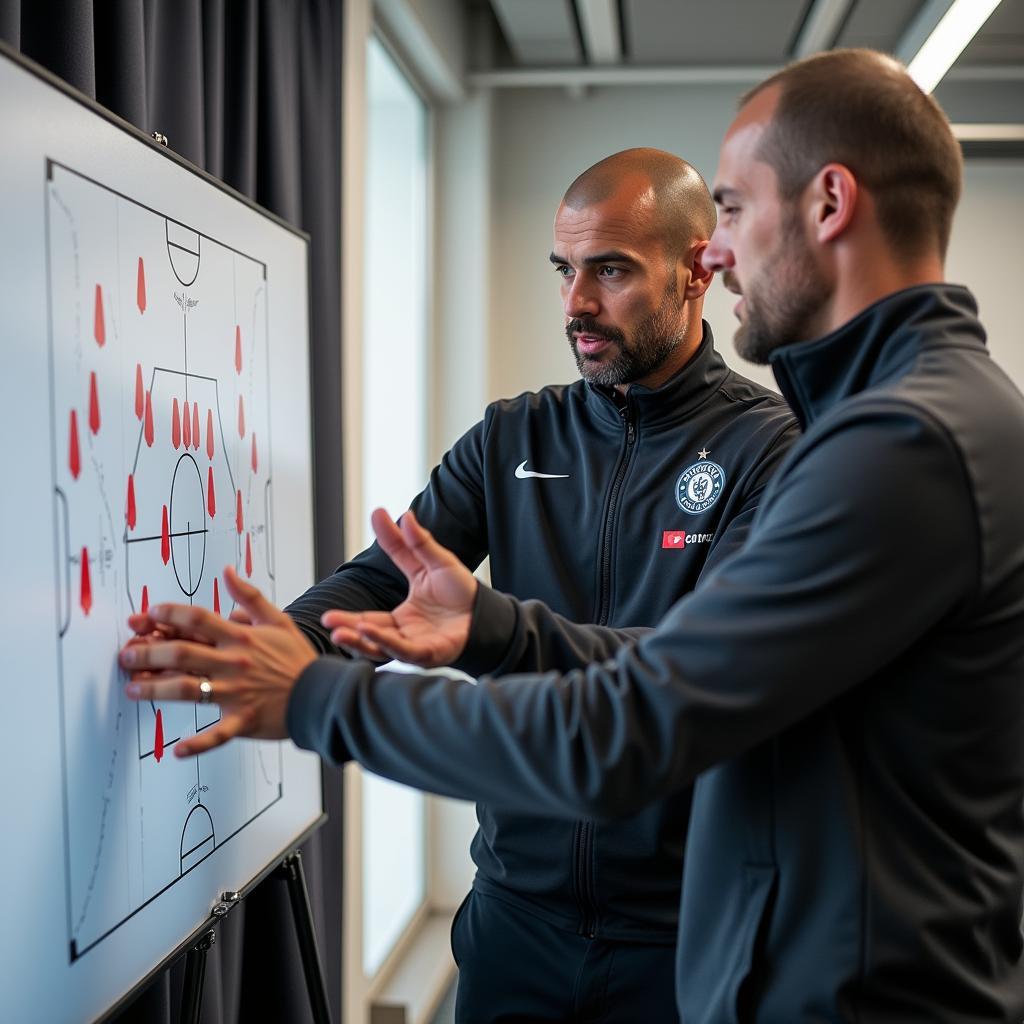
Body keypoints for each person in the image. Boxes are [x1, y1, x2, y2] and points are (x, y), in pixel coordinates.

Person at [120, 50, 1024, 1020]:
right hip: (542, 921)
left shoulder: (878, 445)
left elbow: (638, 715)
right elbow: (679, 666)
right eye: (564, 270)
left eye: (729, 210)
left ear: (828, 202)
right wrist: (470, 635)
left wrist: (312, 699)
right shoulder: (896, 423)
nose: (720, 253)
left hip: (713, 948)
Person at [126, 148, 797, 1023]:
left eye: (612, 271)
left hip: (686, 936)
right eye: (564, 269)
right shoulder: (515, 435)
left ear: (696, 270)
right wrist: (283, 644)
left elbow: (695, 668)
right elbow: (379, 580)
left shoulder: (768, 449)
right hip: (515, 920)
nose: (577, 303)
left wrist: (491, 626)